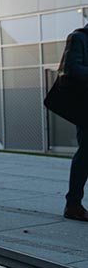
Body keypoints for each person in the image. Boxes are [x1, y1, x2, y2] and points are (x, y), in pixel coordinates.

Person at [61, 23, 88, 222]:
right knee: (85, 154)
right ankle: (73, 204)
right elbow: (70, 68)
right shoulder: (78, 37)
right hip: (85, 107)